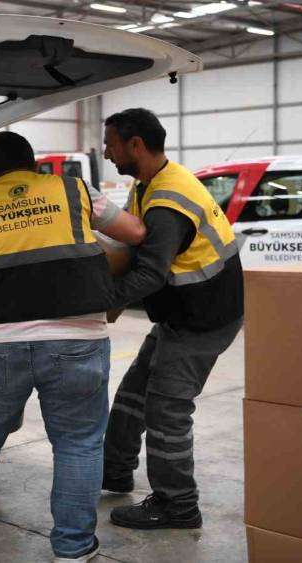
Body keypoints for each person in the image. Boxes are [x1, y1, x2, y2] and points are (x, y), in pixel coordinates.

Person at [0, 131, 146, 562]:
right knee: (77, 443)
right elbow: (135, 231)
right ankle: (72, 547)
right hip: (76, 338)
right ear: (34, 164)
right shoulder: (74, 191)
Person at [99, 108, 244, 530]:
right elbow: (127, 243)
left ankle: (177, 504)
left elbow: (149, 274)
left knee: (166, 410)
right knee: (133, 393)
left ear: (135, 145)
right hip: (182, 312)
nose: (106, 153)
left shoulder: (167, 201)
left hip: (203, 318)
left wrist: (100, 300)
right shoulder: (151, 182)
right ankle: (114, 472)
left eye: (110, 145)